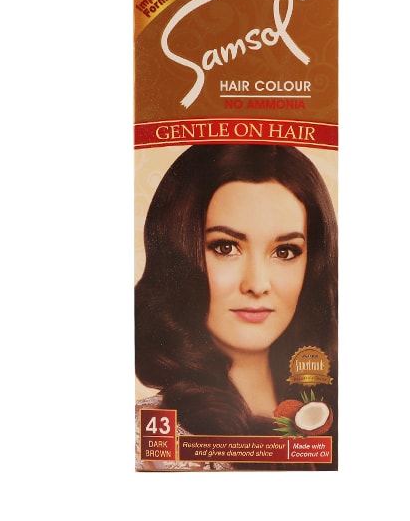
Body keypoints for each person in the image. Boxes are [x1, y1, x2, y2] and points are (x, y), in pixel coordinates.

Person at [135, 144, 338, 470]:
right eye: (226, 247)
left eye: (285, 252)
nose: (257, 284)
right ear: (179, 257)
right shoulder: (151, 437)